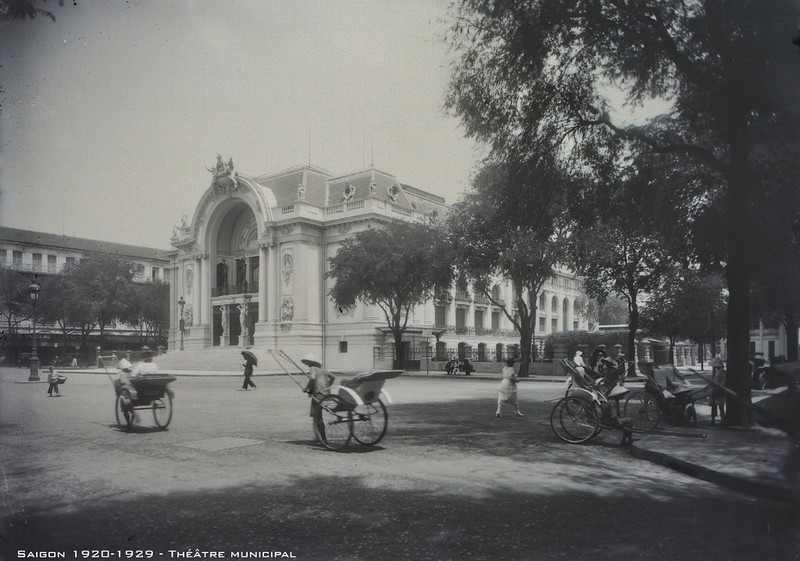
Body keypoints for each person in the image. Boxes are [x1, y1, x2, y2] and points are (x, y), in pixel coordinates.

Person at [302, 353, 336, 439]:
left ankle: (321, 438)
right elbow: (333, 377)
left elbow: (312, 378)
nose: (308, 365)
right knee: (318, 416)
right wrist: (328, 387)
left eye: (308, 363)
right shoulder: (323, 370)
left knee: (317, 416)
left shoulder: (312, 368)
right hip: (327, 395)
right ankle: (318, 436)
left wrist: (306, 388)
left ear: (310, 363)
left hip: (318, 395)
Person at [709, 356, 727, 425]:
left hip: (720, 391)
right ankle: (713, 420)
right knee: (714, 406)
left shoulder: (722, 371)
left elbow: (723, 381)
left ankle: (723, 420)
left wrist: (720, 388)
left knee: (720, 406)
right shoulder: (718, 371)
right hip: (715, 390)